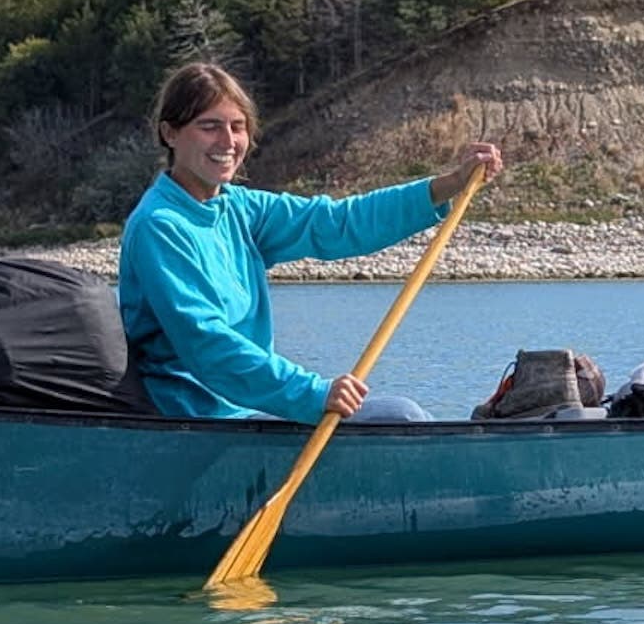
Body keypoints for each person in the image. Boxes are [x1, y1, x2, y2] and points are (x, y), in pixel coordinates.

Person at [118, 62, 502, 423]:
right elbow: (208, 346)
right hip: (197, 417)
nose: (229, 141)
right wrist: (313, 394)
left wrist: (447, 185)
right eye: (210, 126)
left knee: (402, 415)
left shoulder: (239, 207)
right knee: (400, 417)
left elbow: (337, 223)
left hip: (248, 408)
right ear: (170, 134)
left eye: (238, 126)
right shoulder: (159, 225)